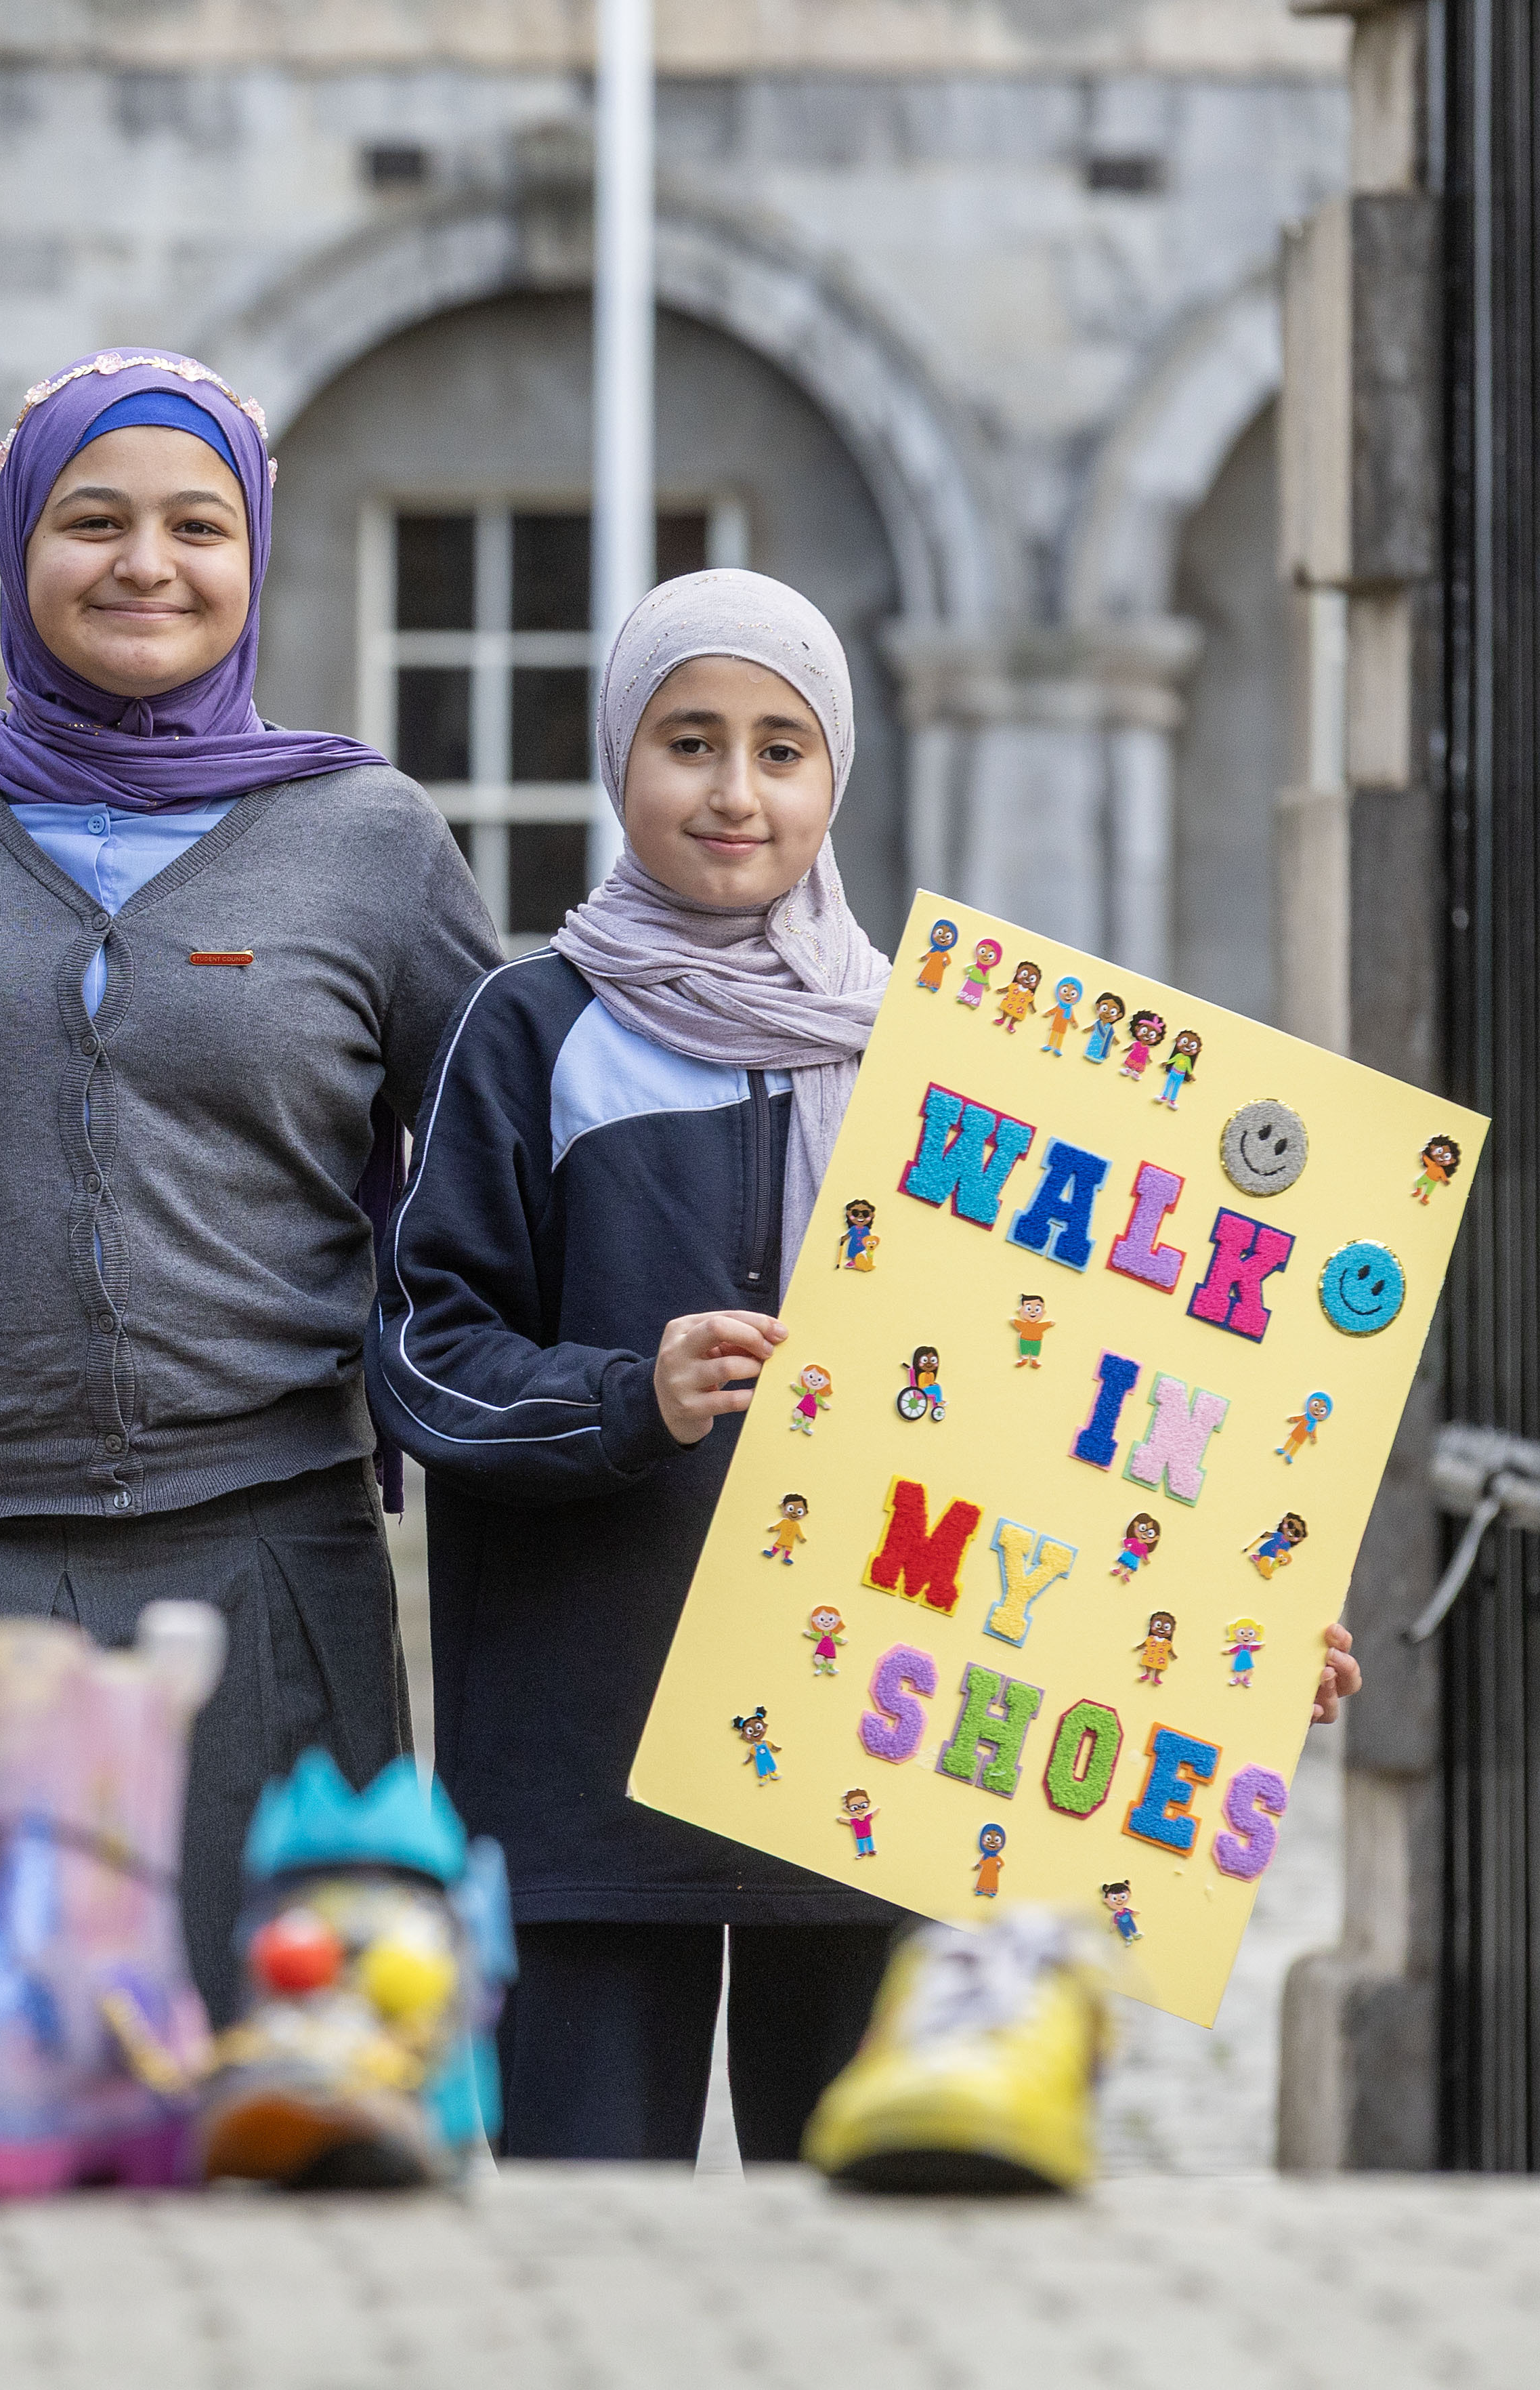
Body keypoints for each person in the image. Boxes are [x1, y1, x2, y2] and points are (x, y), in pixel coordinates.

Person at [370, 568, 1362, 2165]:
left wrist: (1226, 1634)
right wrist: (634, 1393)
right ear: (620, 754)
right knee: (581, 2257)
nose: (735, 789)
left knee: (855, 2273)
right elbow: (422, 1357)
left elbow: (1065, 1415)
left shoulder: (955, 1054)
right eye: (690, 741)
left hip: (869, 1784)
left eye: (782, 748)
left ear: (839, 775)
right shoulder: (532, 1027)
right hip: (586, 1780)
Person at [0, 350, 498, 2023]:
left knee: (284, 2078)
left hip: (268, 1543)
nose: (145, 564)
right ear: (19, 550)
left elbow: (498, 1155)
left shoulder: (369, 839)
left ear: (255, 556)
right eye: (92, 519)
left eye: (196, 525)